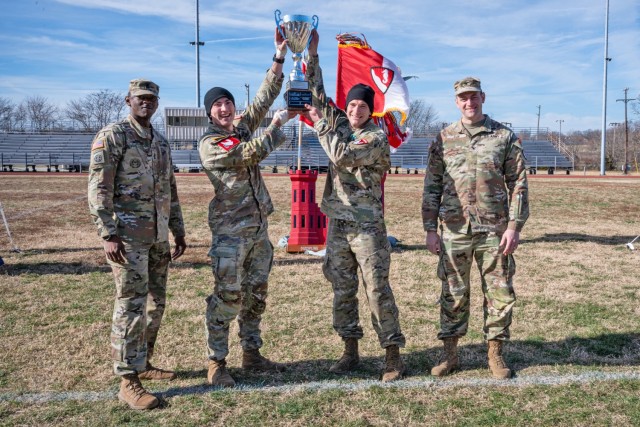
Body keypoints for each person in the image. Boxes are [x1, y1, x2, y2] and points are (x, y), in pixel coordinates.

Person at [300, 31, 406, 383]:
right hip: (339, 225)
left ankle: (392, 354)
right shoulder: (341, 125)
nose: (354, 110)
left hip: (367, 226)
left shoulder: (374, 138)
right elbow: (317, 94)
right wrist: (313, 54)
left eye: (361, 105)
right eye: (350, 105)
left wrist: (319, 125)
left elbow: (342, 156)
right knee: (342, 289)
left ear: (370, 108)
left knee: (376, 289)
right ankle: (350, 350)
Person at [198, 29, 295, 388]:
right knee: (227, 298)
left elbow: (262, 100)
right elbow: (248, 153)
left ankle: (251, 353)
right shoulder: (211, 143)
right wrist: (276, 127)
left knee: (256, 295)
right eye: (217, 105)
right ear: (210, 112)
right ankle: (216, 362)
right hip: (229, 236)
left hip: (257, 231)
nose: (225, 108)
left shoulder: (238, 128)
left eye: (228, 103)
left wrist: (279, 57)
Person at [88, 79, 187, 410]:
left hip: (157, 238)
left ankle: (144, 361)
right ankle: (128, 381)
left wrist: (178, 230)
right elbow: (98, 188)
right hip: (127, 241)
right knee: (130, 305)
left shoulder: (159, 141)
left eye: (152, 99)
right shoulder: (113, 136)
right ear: (128, 100)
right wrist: (107, 233)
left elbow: (169, 190)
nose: (146, 103)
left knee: (155, 304)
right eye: (140, 98)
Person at [422, 77, 529, 379]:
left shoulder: (504, 137)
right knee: (453, 292)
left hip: (494, 230)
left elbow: (518, 183)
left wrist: (514, 226)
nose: (469, 103)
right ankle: (450, 354)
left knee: (499, 292)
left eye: (474, 97)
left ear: (483, 97)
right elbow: (431, 186)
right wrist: (430, 228)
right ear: (456, 102)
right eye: (463, 98)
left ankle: (495, 353)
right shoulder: (443, 139)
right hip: (454, 229)